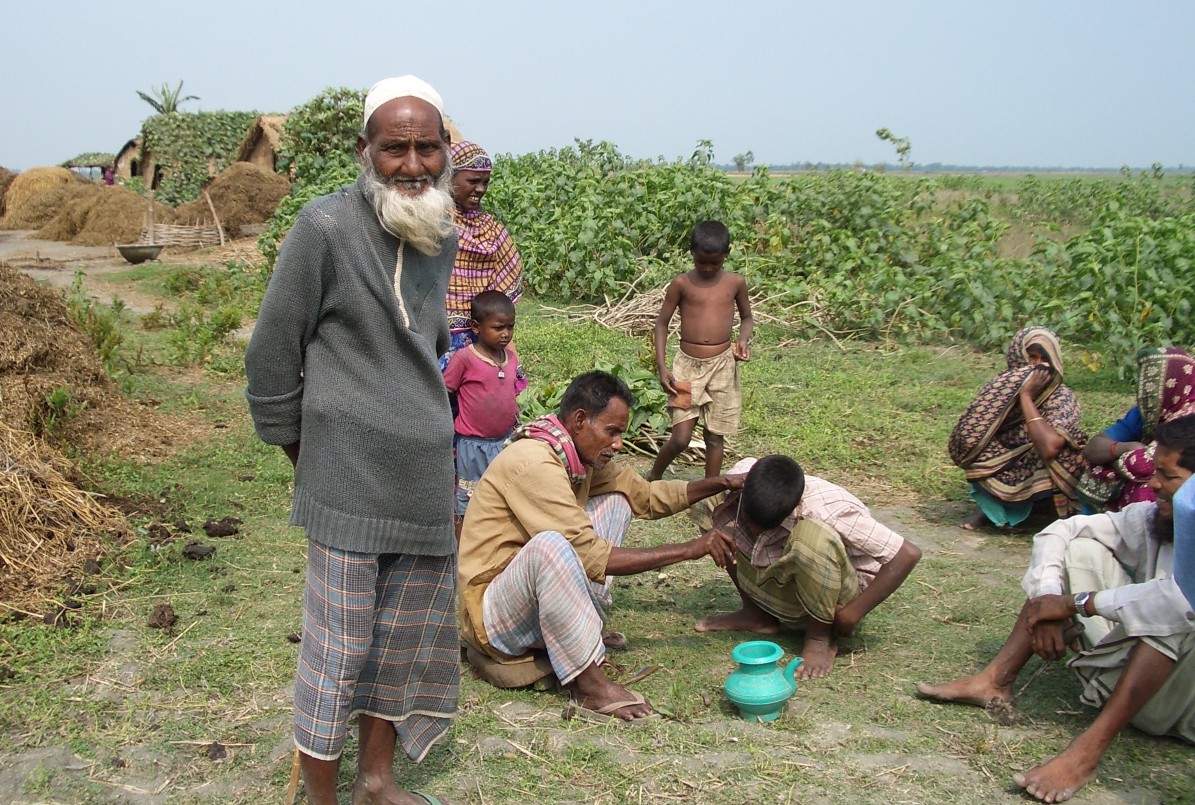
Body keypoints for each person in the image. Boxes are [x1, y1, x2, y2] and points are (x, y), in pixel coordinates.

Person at [244, 75, 459, 805]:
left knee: (402, 643)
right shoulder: (324, 228)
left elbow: (426, 344)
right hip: (345, 478)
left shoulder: (442, 229)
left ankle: (375, 779)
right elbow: (272, 352)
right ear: (364, 150)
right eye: (394, 148)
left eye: (425, 147)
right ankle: (320, 795)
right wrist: (305, 456)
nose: (411, 165)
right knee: (337, 649)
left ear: (445, 150)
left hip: (424, 474)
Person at [916, 414, 1195, 804]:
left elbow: (1175, 601)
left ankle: (1085, 755)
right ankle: (995, 680)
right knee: (1078, 546)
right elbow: (1061, 530)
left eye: (1168, 477)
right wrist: (1050, 602)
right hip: (1145, 686)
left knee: (1171, 614)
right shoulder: (1155, 517)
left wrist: (1077, 603)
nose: (1152, 484)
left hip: (1184, 706)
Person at [458, 370, 743, 722]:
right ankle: (589, 686)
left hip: (528, 596)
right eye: (612, 431)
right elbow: (590, 555)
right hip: (494, 617)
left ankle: (582, 628)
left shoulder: (578, 458)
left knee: (617, 499)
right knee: (552, 546)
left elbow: (646, 496)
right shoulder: (534, 462)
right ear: (579, 420)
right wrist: (690, 549)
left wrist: (720, 482)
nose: (619, 443)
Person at [694, 455, 922, 679]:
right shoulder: (742, 478)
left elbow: (906, 554)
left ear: (794, 506)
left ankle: (819, 637)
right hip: (786, 582)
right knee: (710, 500)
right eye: (750, 521)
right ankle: (756, 614)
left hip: (836, 602)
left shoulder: (826, 509)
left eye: (763, 526)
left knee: (812, 535)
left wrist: (853, 613)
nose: (753, 530)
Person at [948, 326, 1087, 530]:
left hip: (1040, 461)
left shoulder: (1061, 396)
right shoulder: (1002, 390)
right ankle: (993, 512)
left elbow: (1049, 447)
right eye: (1031, 357)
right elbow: (972, 436)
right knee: (980, 453)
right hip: (1005, 459)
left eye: (1043, 358)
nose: (1037, 365)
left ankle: (1048, 514)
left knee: (1062, 454)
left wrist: (1026, 397)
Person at [647, 220, 753, 481]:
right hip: (686, 367)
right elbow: (661, 323)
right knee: (681, 438)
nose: (707, 268)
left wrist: (743, 340)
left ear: (727, 253)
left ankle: (709, 491)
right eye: (700, 262)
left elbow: (747, 318)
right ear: (691, 252)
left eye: (714, 263)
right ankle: (653, 477)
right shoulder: (682, 284)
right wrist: (662, 366)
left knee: (715, 436)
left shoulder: (735, 283)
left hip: (723, 367)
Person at [442, 290, 527, 524]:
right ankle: (463, 554)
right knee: (468, 502)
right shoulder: (464, 359)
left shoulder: (510, 357)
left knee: (501, 496)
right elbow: (445, 391)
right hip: (472, 445)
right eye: (498, 328)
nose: (506, 334)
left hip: (504, 441)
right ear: (476, 327)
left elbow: (511, 394)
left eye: (510, 327)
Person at [1077, 347, 1195, 513]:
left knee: (1145, 487)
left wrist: (1110, 460)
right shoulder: (1145, 413)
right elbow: (1093, 448)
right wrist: (1128, 448)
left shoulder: (1189, 415)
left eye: (1157, 388)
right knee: (1096, 466)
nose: (1149, 395)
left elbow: (1145, 465)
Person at [441, 140, 523, 369]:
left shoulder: (491, 227)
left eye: (485, 182)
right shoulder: (435, 222)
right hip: (439, 335)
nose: (480, 189)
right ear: (449, 179)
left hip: (484, 334)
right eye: (473, 181)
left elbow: (510, 268)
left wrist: (491, 310)